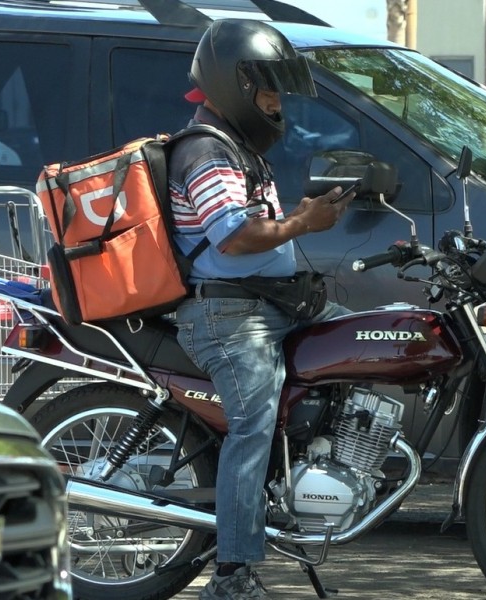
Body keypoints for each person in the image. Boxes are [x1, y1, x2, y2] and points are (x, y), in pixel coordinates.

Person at [168, 18, 355, 600]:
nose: (277, 104)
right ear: (235, 86)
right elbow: (232, 237)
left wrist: (301, 215)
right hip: (228, 317)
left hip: (267, 306)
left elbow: (255, 228)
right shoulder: (205, 151)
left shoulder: (237, 149)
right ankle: (231, 576)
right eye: (269, 91)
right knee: (252, 425)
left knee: (370, 337)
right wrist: (303, 221)